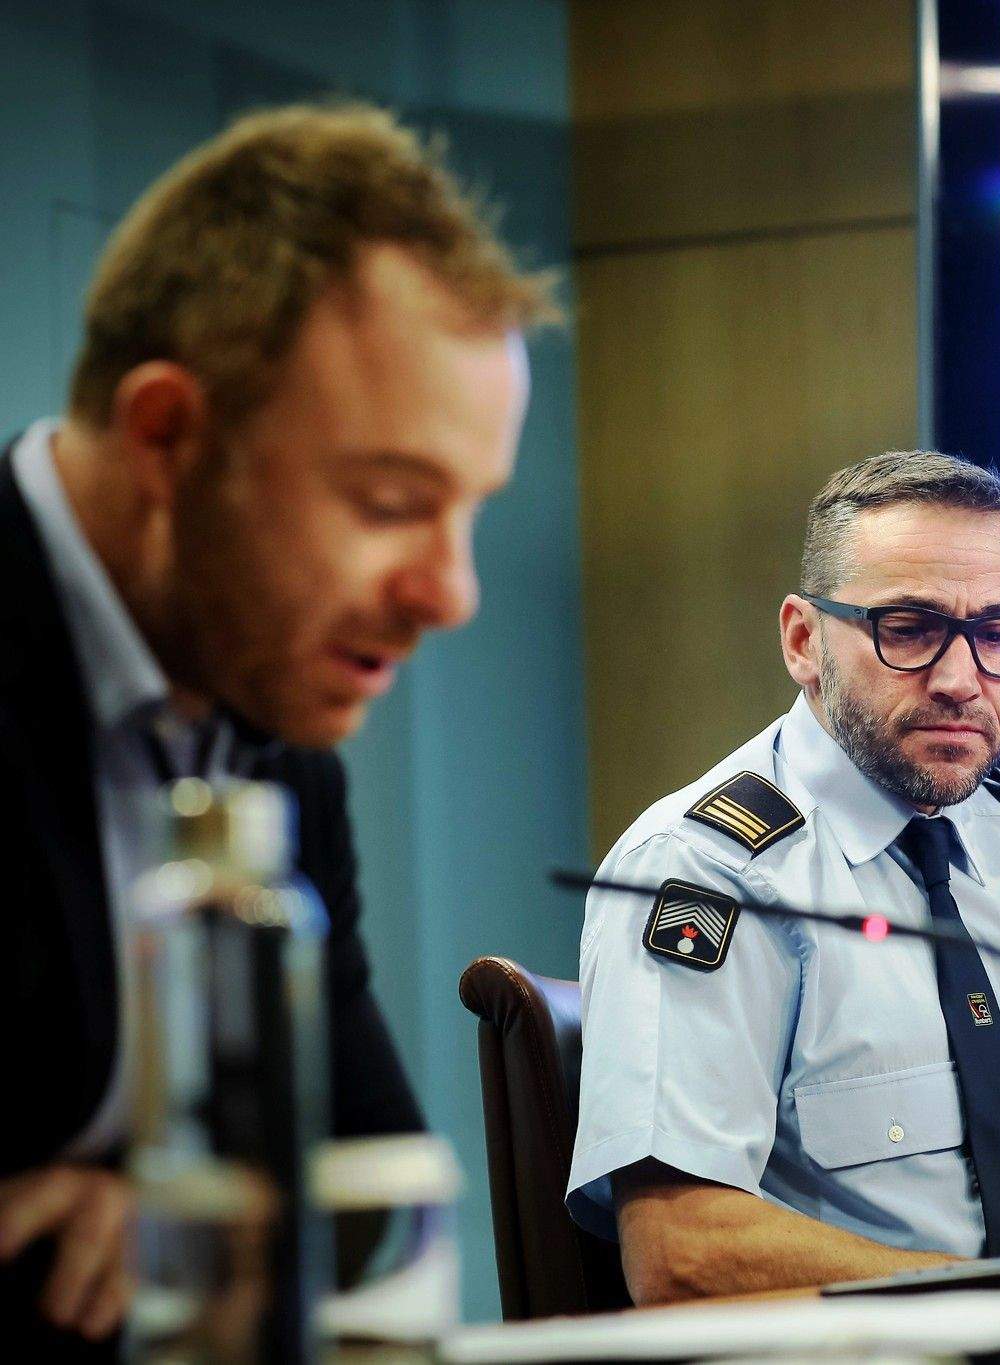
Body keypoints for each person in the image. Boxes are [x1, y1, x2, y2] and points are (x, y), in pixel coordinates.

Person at [0, 103, 554, 1348]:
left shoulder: (269, 719)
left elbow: (361, 1188)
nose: (451, 594)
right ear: (166, 434)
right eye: (391, 501)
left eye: (469, 511)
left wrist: (155, 1214)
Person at [571, 451, 1000, 1302]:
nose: (962, 680)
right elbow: (682, 1250)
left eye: (999, 633)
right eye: (909, 628)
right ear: (802, 640)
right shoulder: (704, 872)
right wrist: (995, 1297)